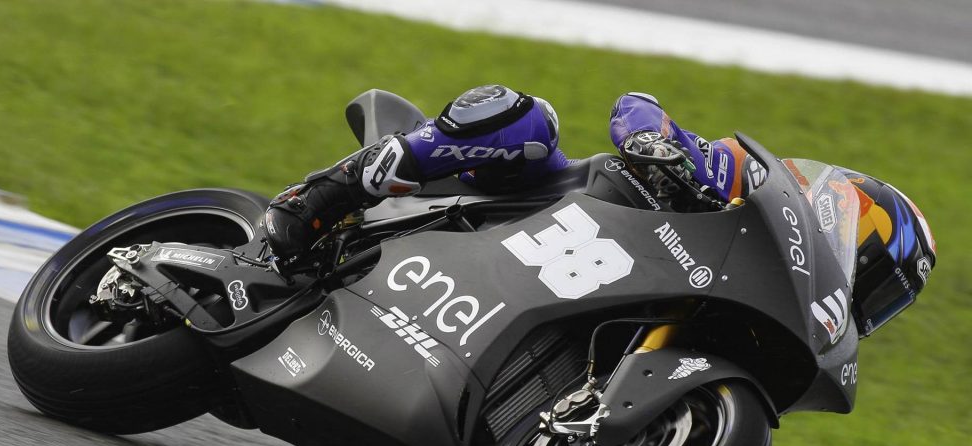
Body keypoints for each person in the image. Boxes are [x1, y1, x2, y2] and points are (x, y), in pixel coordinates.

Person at [264, 85, 936, 336]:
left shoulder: (761, 306)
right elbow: (635, 105)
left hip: (557, 294)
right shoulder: (735, 181)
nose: (864, 303)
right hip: (533, 207)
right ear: (843, 222)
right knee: (528, 121)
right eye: (873, 280)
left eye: (882, 303)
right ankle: (328, 194)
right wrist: (660, 145)